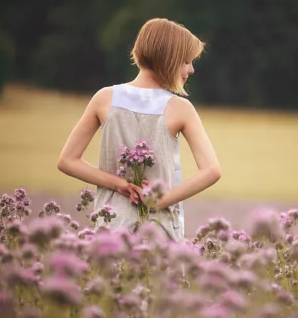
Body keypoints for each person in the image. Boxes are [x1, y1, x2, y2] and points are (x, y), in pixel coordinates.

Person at [57, 18, 221, 242]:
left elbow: (67, 160)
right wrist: (161, 200)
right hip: (158, 232)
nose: (191, 70)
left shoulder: (104, 97)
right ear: (170, 59)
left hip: (111, 228)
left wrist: (120, 185)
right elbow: (212, 170)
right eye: (186, 61)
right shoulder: (180, 108)